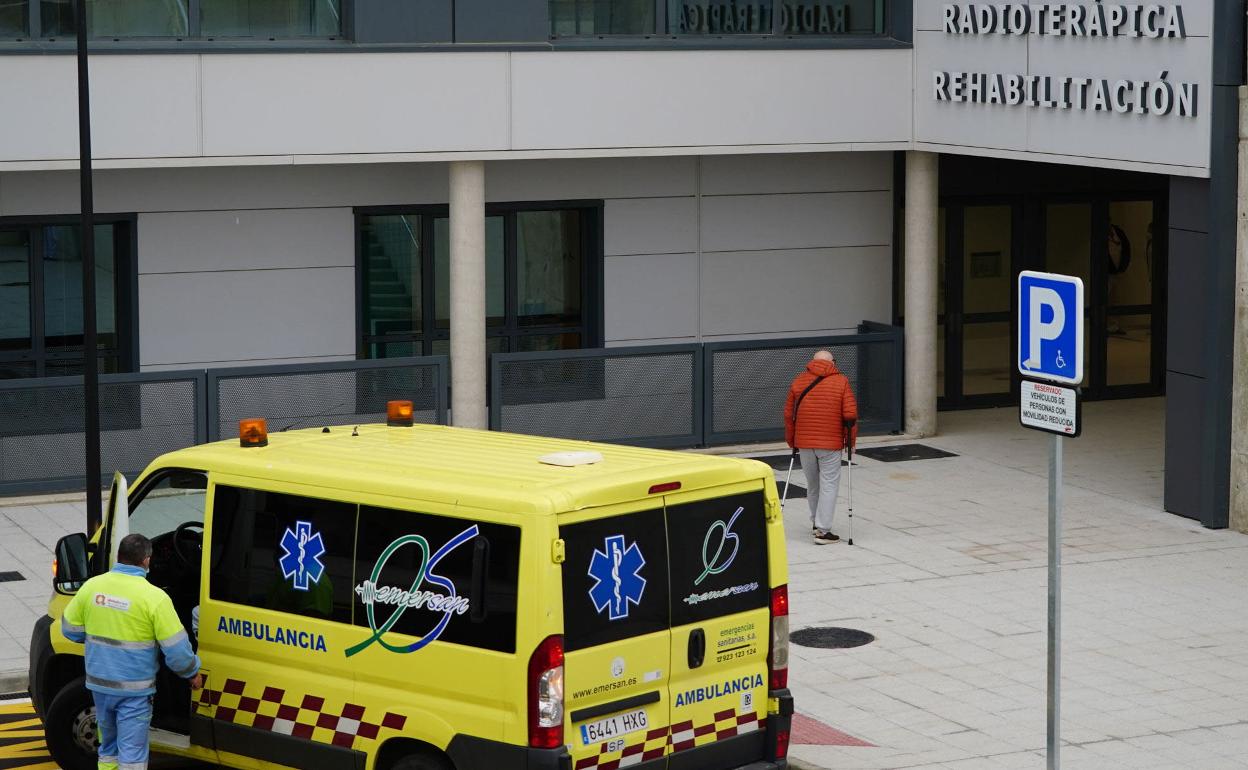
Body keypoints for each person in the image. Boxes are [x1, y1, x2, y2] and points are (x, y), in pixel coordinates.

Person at [61, 533, 202, 770]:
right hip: (134, 691)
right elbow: (177, 651)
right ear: (146, 560)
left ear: (118, 556)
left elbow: (70, 630)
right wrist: (192, 673)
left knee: (108, 750)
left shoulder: (92, 587)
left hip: (100, 686)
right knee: (133, 756)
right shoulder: (155, 598)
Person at [784, 350, 858, 545]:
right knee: (829, 484)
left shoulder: (799, 381)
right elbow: (850, 416)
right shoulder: (841, 381)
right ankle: (823, 530)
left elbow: (788, 415)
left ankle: (816, 524)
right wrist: (850, 443)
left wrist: (792, 440)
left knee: (813, 484)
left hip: (805, 443)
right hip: (830, 444)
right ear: (832, 362)